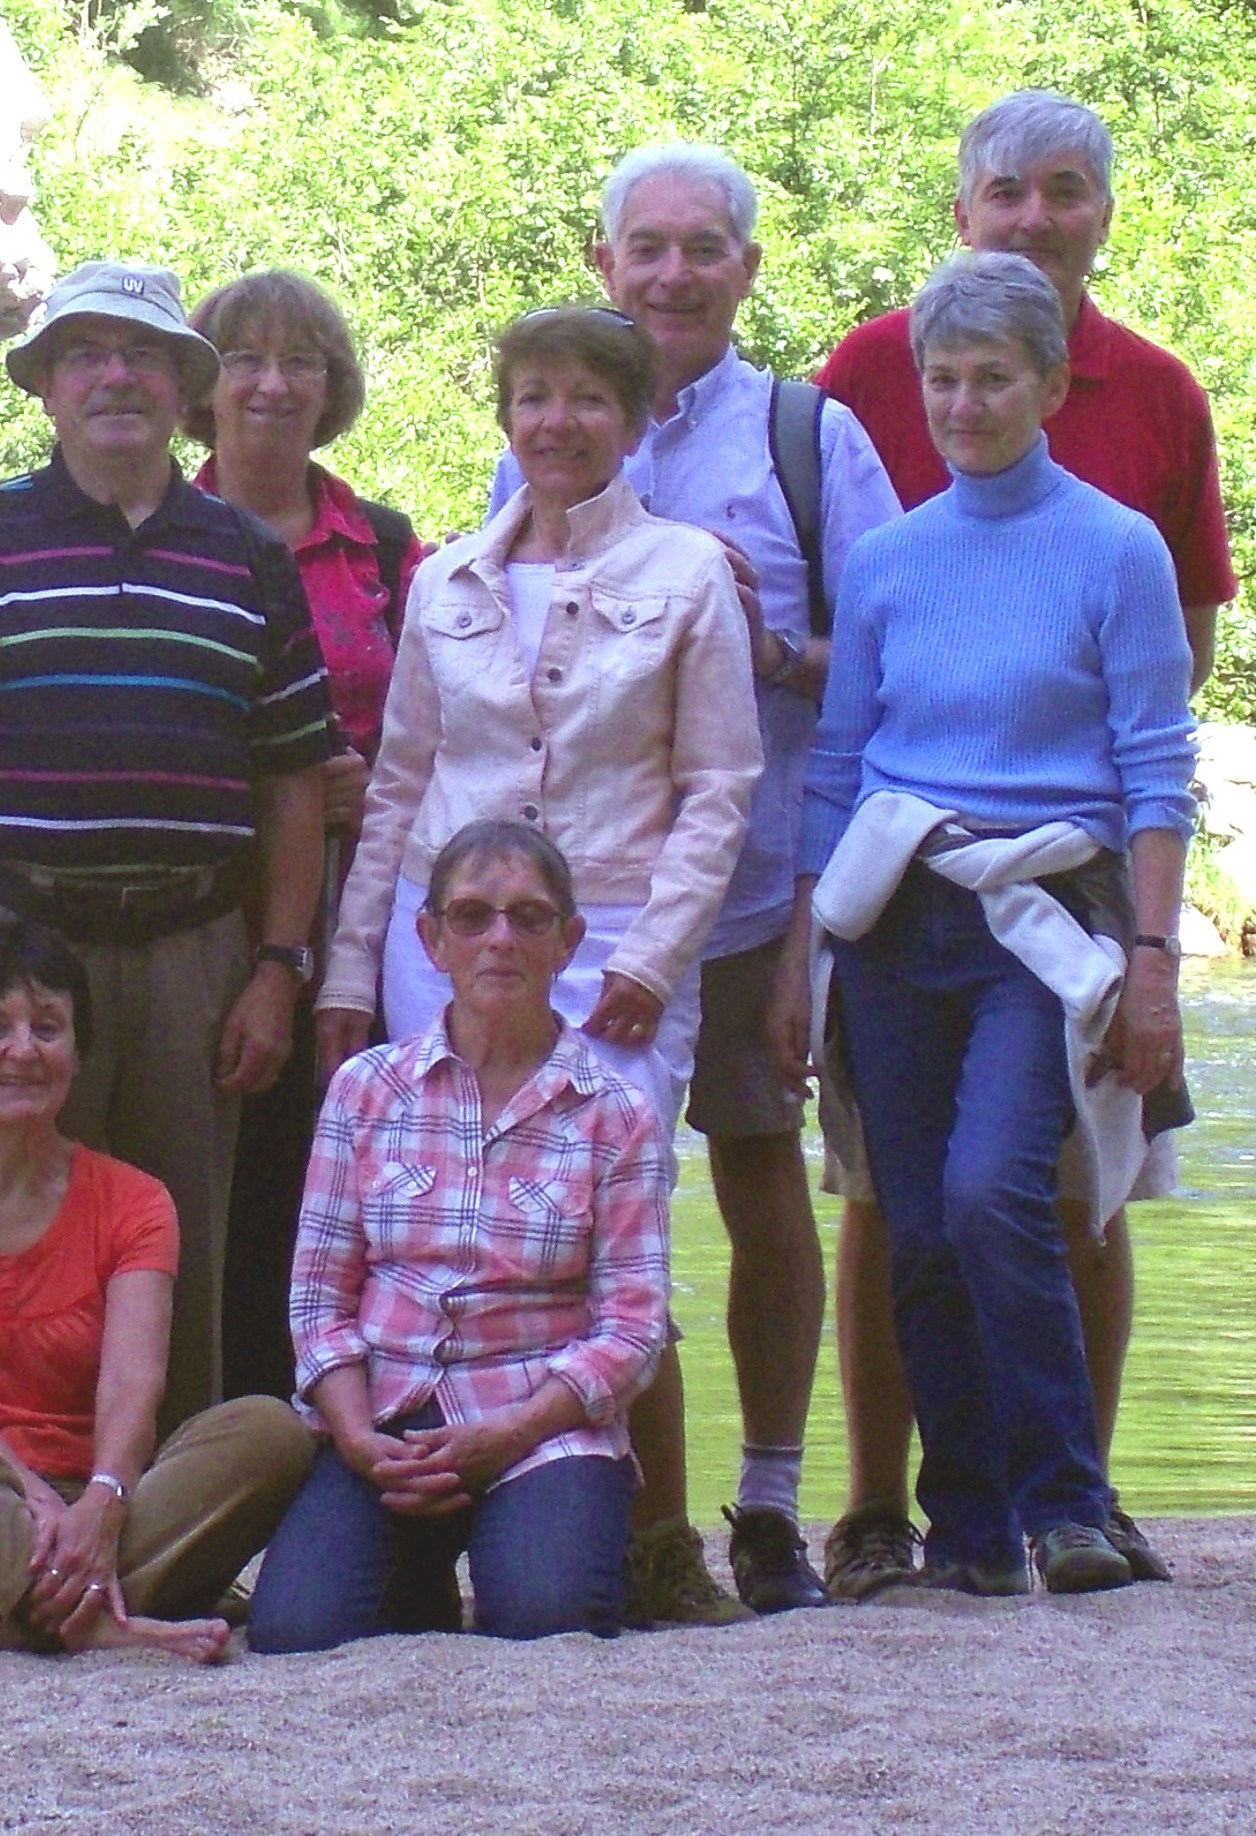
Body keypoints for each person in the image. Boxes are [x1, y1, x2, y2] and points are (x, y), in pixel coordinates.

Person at [812, 90, 1236, 1596]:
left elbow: (1155, 759)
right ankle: (971, 1525)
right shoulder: (887, 559)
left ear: (1049, 384)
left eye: (993, 378)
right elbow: (838, 761)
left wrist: (1151, 955)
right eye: (944, 380)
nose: (963, 404)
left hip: (1044, 916)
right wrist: (806, 954)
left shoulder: (1115, 544)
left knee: (1001, 1187)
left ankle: (1067, 1501)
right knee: (915, 1220)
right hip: (895, 908)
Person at [480, 147, 908, 1613]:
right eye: (646, 248)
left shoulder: (808, 437)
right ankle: (636, 1518)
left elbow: (884, 668)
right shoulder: (546, 430)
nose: (672, 274)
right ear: (602, 263)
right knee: (598, 1202)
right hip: (579, 903)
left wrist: (764, 642)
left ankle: (770, 1506)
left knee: (758, 1172)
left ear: (745, 267)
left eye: (701, 248)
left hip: (752, 888)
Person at [317, 305, 758, 1623]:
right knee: (433, 1219)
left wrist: (657, 956)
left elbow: (719, 784)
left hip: (612, 939)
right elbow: (399, 780)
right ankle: (414, 1500)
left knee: (612, 1231)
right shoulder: (443, 577)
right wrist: (351, 969)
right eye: (532, 397)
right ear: (505, 416)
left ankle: (656, 1537)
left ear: (632, 420)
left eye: (585, 399)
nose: (556, 422)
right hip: (444, 934)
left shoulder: (688, 572)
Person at [0, 261, 340, 1431]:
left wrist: (277, 969)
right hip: (5, 938)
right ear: (48, 385)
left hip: (192, 953)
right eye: (85, 354)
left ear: (181, 385)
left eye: (143, 355)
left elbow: (293, 780)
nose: (116, 376)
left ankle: (166, 1506)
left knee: (177, 1249)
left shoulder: (247, 554)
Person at [0, 919, 317, 1662]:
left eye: (47, 1028)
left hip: (90, 1524)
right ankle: (85, 1615)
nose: (23, 1050)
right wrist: (32, 1508)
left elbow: (132, 1386)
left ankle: (20, 1623)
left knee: (271, 1430)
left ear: (78, 1056)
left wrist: (103, 1503)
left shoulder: (136, 1200)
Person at [251, 822, 671, 1652]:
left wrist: (509, 1432)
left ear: (569, 941)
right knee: (297, 1630)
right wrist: (358, 1439)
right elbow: (318, 1299)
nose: (500, 939)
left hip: (542, 1425)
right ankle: (416, 1572)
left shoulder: (618, 1114)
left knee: (547, 1619)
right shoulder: (364, 1090)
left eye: (529, 916)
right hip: (388, 1413)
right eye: (473, 916)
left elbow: (632, 1329)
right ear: (432, 939)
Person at [183, 267, 423, 1407]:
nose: (272, 385)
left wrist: (372, 785)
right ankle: (211, 1434)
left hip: (355, 903)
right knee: (205, 1174)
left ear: (333, 389)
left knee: (343, 1173)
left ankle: (340, 1424)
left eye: (300, 363)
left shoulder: (383, 545)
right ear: (203, 385)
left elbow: (447, 728)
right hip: (198, 902)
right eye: (244, 359)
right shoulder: (162, 533)